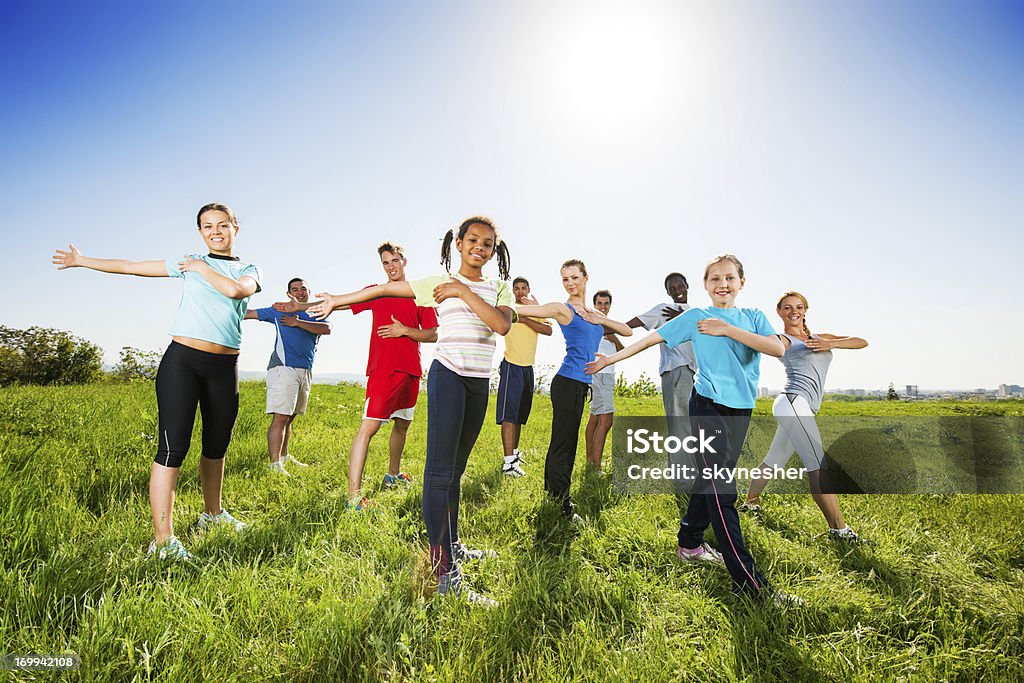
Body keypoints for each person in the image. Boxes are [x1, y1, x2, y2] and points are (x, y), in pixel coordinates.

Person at [301, 217, 513, 606]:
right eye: (472, 240)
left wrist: (463, 292)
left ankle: (452, 545)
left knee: (456, 473)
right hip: (448, 377)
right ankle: (445, 572)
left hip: (479, 383)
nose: (479, 247)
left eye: (488, 243)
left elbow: (500, 324)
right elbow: (382, 288)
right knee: (439, 472)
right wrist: (336, 300)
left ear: (494, 250)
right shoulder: (435, 284)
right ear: (459, 244)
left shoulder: (498, 287)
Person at [586, 254, 804, 606]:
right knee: (722, 490)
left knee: (710, 480)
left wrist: (728, 329)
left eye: (730, 278)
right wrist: (610, 359)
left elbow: (778, 347)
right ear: (705, 284)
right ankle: (752, 585)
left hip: (741, 408)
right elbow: (652, 338)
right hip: (706, 406)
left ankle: (689, 543)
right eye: (715, 278)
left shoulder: (753, 318)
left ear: (741, 283)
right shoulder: (695, 317)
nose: (723, 284)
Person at [52, 203, 261, 561]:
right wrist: (83, 260)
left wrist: (200, 267)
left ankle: (212, 515)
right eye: (207, 226)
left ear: (234, 229)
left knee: (217, 445)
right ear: (200, 232)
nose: (215, 231)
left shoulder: (247, 269)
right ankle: (163, 541)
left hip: (225, 367)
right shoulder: (188, 264)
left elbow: (237, 291)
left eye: (222, 225)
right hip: (183, 363)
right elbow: (131, 268)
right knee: (172, 448)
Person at [275, 244, 438, 508]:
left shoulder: (419, 294)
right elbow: (341, 303)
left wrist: (404, 330)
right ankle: (354, 498)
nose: (391, 266)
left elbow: (432, 334)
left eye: (395, 260)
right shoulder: (377, 291)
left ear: (404, 261)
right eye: (386, 263)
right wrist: (302, 304)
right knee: (369, 428)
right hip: (384, 370)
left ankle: (392, 475)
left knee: (402, 424)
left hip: (411, 371)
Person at [740, 291, 869, 541]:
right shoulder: (783, 340)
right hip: (792, 403)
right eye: (787, 308)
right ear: (779, 312)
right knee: (818, 466)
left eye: (798, 307)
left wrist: (831, 343)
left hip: (800, 407)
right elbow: (765, 345)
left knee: (773, 460)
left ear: (805, 309)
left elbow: (861, 341)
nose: (793, 311)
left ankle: (750, 504)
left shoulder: (820, 338)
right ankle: (839, 530)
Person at [515, 260, 632, 521]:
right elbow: (532, 310)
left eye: (574, 277)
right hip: (567, 383)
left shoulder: (593, 313)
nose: (570, 283)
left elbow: (626, 330)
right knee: (564, 445)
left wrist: (599, 317)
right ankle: (562, 504)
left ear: (585, 278)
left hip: (579, 386)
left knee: (563, 442)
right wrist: (513, 306)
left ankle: (553, 495)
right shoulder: (563, 309)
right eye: (565, 279)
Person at [244, 278, 331, 476]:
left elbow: (326, 329)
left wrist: (297, 322)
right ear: (288, 292)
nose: (300, 292)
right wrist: (232, 298)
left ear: (309, 291)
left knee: (290, 417)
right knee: (281, 417)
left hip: (305, 370)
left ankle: (284, 456)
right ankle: (275, 465)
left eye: (303, 289)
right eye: (295, 289)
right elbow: (247, 314)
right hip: (283, 368)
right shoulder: (279, 310)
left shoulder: (315, 312)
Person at [626, 273, 697, 434]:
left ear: (687, 285)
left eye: (680, 286)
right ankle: (680, 459)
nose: (677, 290)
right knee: (680, 422)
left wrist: (682, 317)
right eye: (672, 289)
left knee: (688, 423)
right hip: (677, 369)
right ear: (668, 293)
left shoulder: (695, 313)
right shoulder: (665, 309)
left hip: (694, 373)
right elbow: (637, 321)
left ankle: (686, 459)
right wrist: (609, 328)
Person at [496, 276, 552, 478]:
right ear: (513, 291)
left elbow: (548, 330)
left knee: (520, 415)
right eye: (516, 288)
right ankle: (508, 463)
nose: (520, 292)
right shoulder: (508, 308)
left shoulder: (535, 310)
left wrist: (527, 317)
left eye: (523, 288)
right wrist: (519, 315)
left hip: (528, 368)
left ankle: (514, 456)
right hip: (512, 365)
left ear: (529, 289)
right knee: (509, 416)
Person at [584, 289, 622, 471]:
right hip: (599, 374)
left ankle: (590, 460)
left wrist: (613, 337)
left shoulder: (608, 327)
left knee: (595, 418)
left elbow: (623, 351)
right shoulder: (592, 325)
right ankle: (596, 467)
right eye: (600, 303)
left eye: (606, 303)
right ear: (594, 305)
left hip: (607, 374)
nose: (603, 307)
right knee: (606, 420)